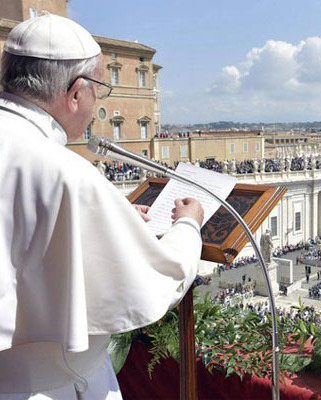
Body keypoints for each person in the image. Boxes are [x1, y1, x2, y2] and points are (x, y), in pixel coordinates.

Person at [0, 15, 206, 399]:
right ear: (76, 92)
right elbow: (158, 277)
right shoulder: (66, 172)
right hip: (50, 388)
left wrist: (113, 220)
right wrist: (189, 226)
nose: (96, 105)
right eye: (98, 89)